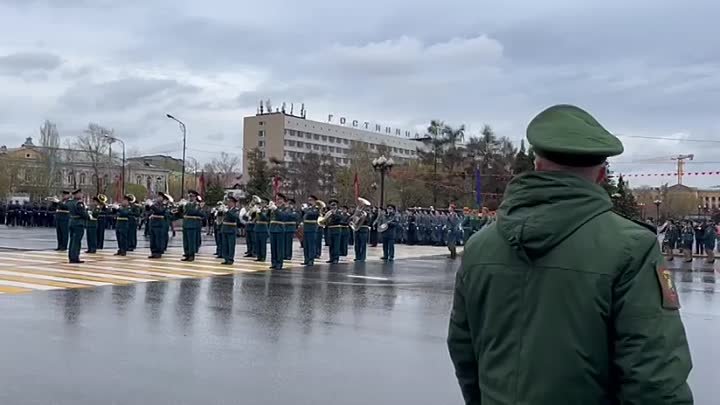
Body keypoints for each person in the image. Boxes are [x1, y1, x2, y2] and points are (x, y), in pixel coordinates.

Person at [448, 104, 692, 404]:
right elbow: (655, 379)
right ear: (602, 175)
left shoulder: (480, 245)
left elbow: (464, 351)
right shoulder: (631, 247)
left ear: (536, 167)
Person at [180, 190, 204, 262]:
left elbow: (192, 211)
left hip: (192, 225)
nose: (190, 198)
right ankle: (186, 254)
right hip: (186, 224)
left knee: (191, 241)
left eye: (192, 196)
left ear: (195, 197)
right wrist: (180, 206)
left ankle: (191, 255)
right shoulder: (186, 204)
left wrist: (185, 205)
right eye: (189, 196)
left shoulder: (197, 205)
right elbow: (180, 213)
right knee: (186, 241)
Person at [67, 189, 89, 264]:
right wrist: (88, 216)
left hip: (72, 222)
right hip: (78, 223)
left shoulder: (69, 202)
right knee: (76, 242)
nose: (81, 195)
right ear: (77, 194)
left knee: (72, 241)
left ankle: (71, 256)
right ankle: (75, 257)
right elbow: (83, 214)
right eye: (80, 193)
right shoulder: (79, 203)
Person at [148, 193, 170, 259]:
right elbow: (148, 211)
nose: (158, 198)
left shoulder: (164, 205)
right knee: (153, 239)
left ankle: (158, 253)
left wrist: (151, 205)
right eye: (158, 196)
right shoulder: (155, 204)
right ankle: (153, 252)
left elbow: (160, 211)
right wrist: (148, 206)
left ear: (163, 198)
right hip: (153, 223)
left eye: (160, 197)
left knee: (159, 239)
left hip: (160, 223)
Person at [269, 194, 287, 270]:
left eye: (280, 199)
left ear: (283, 200)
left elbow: (282, 217)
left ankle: (279, 263)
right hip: (272, 229)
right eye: (277, 199)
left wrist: (276, 209)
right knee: (273, 248)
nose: (278, 201)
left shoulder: (285, 208)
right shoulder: (274, 208)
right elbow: (267, 218)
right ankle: (274, 262)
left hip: (280, 229)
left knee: (279, 248)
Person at [220, 196, 240, 265]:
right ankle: (226, 258)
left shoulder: (236, 210)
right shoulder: (226, 209)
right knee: (225, 245)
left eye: (230, 202)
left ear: (233, 203)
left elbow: (235, 217)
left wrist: (227, 212)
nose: (228, 203)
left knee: (231, 245)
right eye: (228, 202)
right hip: (225, 228)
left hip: (231, 229)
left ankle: (230, 259)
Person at [302, 196, 321, 266]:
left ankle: (311, 259)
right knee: (306, 245)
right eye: (309, 200)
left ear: (315, 201)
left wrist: (306, 210)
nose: (309, 202)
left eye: (311, 200)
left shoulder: (317, 208)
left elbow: (313, 215)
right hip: (306, 228)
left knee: (311, 245)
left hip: (312, 228)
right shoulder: (308, 208)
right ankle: (306, 259)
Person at [325, 199, 342, 264]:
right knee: (331, 244)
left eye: (334, 205)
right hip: (330, 229)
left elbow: (340, 218)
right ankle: (331, 258)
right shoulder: (328, 212)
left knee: (336, 245)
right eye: (332, 205)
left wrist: (334, 214)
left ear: (337, 205)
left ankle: (336, 258)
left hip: (336, 228)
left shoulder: (339, 212)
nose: (333, 206)